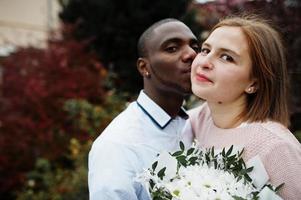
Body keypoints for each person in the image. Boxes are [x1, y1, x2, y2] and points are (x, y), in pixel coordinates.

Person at [189, 15, 301, 199]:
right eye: (205, 50)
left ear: (254, 83)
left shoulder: (276, 148)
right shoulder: (200, 119)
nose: (205, 62)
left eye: (226, 57)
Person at [88, 18, 199, 200]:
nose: (191, 55)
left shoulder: (199, 124)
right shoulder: (117, 145)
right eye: (172, 48)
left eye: (195, 47)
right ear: (144, 67)